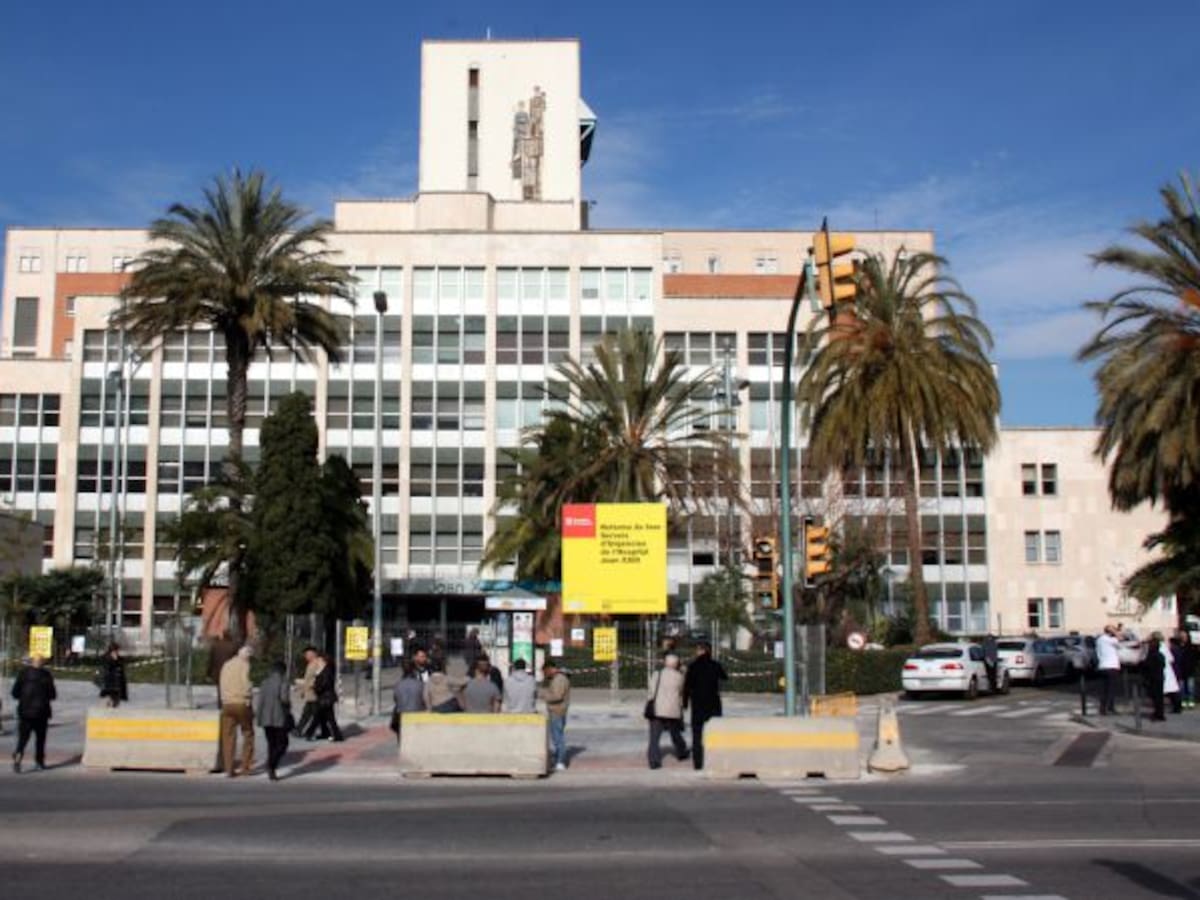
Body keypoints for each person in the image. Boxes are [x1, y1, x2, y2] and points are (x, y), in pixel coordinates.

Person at [683, 642, 727, 771]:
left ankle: (698, 762)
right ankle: (715, 760)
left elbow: (687, 686)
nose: (696, 652)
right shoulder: (715, 665)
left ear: (702, 651)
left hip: (697, 704)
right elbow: (724, 677)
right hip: (713, 703)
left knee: (697, 734)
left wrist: (685, 703)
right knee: (715, 732)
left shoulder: (693, 666)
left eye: (698, 650)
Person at [11, 656, 56, 773]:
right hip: (42, 713)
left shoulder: (23, 674)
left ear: (31, 662)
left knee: (22, 739)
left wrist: (23, 698)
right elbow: (53, 694)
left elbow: (14, 693)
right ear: (43, 663)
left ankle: (18, 758)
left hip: (25, 713)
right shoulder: (46, 675)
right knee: (40, 739)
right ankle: (39, 762)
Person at [646, 653, 688, 770]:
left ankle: (654, 761)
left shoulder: (657, 674)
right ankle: (681, 752)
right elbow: (681, 691)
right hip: (673, 709)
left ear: (665, 663)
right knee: (676, 734)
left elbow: (651, 690)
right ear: (676, 664)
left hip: (657, 709)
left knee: (654, 738)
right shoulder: (679, 676)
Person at [218, 645, 255, 777]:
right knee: (248, 734)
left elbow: (221, 683)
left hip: (227, 704)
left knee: (228, 737)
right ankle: (245, 767)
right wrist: (250, 691)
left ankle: (229, 769)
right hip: (241, 703)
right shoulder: (245, 665)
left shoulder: (226, 665)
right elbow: (246, 683)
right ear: (247, 656)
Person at [255, 661, 291, 781]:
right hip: (279, 716)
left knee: (271, 744)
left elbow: (260, 701)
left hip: (265, 717)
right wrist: (289, 707)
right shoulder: (284, 682)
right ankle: (271, 764)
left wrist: (259, 717)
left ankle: (271, 769)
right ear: (283, 671)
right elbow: (284, 699)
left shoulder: (264, 682)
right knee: (282, 744)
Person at [540, 658, 571, 771]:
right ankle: (558, 758)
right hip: (557, 711)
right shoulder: (558, 678)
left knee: (558, 738)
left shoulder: (559, 679)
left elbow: (557, 696)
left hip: (557, 711)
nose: (545, 675)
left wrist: (544, 696)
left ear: (550, 669)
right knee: (556, 736)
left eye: (545, 672)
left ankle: (560, 761)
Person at [307, 653, 344, 742]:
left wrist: (315, 687)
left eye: (320, 660)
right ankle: (327, 733)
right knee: (324, 718)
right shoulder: (324, 671)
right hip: (325, 698)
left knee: (320, 717)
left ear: (324, 662)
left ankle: (310, 733)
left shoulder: (326, 671)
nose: (318, 662)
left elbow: (324, 684)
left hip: (325, 698)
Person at [391, 661, 426, 741]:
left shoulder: (398, 684)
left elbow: (396, 699)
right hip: (417, 714)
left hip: (402, 715)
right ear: (414, 670)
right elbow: (424, 700)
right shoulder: (420, 684)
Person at [293, 646, 319, 738]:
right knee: (307, 714)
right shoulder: (310, 664)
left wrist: (308, 685)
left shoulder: (318, 664)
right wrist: (302, 690)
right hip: (310, 695)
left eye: (307, 654)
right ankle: (299, 730)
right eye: (305, 655)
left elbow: (318, 679)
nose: (306, 656)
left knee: (314, 715)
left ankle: (303, 731)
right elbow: (308, 679)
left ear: (313, 654)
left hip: (315, 695)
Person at [1096, 624, 1121, 715]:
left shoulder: (1099, 639)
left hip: (1102, 666)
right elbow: (1120, 641)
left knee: (1104, 689)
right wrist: (1116, 632)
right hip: (1112, 666)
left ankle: (1103, 708)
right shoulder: (1111, 640)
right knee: (1111, 689)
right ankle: (1110, 707)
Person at [1144, 634, 1169, 722]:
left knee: (1156, 697)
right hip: (1160, 677)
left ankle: (1158, 714)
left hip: (1153, 678)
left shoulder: (1151, 656)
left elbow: (1147, 667)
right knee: (1159, 697)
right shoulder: (1161, 655)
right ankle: (1159, 713)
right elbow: (1163, 665)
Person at [96, 642, 129, 708]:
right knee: (109, 699)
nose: (117, 652)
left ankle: (113, 708)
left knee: (116, 700)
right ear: (112, 651)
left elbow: (121, 667)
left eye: (117, 650)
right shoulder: (106, 658)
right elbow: (107, 668)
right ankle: (108, 708)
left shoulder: (119, 658)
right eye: (115, 650)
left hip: (117, 684)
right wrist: (114, 660)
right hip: (109, 684)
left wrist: (117, 660)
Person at [1171, 630, 1196, 710]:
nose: (1183, 638)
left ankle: (1191, 702)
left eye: (1184, 636)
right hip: (1180, 671)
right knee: (1181, 688)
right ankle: (1183, 702)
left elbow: (1194, 658)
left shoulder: (1191, 647)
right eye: (1181, 636)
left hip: (1190, 670)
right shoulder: (1177, 647)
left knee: (1190, 687)